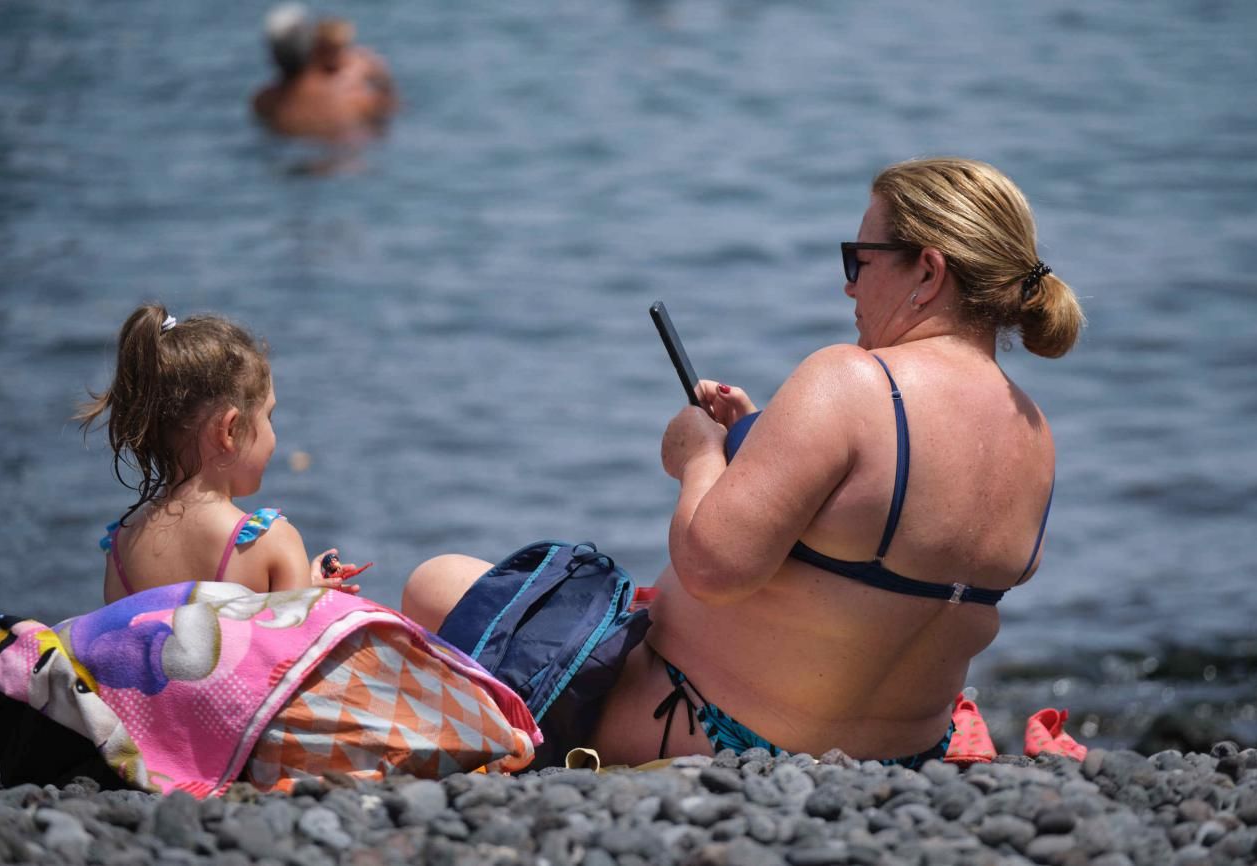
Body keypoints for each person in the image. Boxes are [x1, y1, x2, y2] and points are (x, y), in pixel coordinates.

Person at [402, 157, 1085, 767]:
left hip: (721, 739)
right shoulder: (1035, 433)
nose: (850, 288)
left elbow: (713, 567)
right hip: (902, 757)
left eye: (860, 259)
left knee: (440, 583)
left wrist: (698, 456)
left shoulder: (852, 381)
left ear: (928, 271)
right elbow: (879, 532)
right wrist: (763, 442)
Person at [77, 305, 365, 604]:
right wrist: (306, 594)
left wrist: (305, 586)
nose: (274, 435)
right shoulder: (271, 543)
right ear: (229, 430)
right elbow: (296, 641)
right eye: (269, 416)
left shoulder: (121, 549)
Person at [251, 15, 397, 142]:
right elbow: (388, 114)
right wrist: (383, 79)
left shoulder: (263, 101)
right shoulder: (354, 100)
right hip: (348, 155)